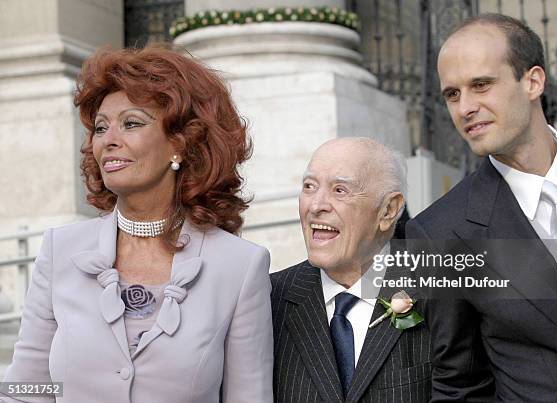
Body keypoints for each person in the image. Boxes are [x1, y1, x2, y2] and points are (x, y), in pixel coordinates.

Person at [1, 45, 273, 403]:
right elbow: (26, 388)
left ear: (182, 143)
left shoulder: (240, 266)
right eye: (101, 127)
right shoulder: (60, 250)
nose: (108, 140)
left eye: (131, 123)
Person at [406, 13, 557, 401]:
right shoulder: (440, 234)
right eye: (452, 94)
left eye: (480, 85)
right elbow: (459, 386)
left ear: (533, 81)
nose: (464, 107)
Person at [271, 137, 431, 403]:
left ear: (389, 210)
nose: (316, 205)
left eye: (339, 190)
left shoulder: (436, 293)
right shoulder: (268, 299)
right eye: (309, 187)